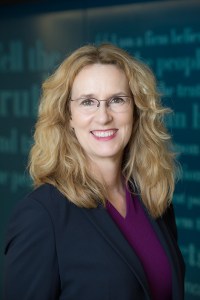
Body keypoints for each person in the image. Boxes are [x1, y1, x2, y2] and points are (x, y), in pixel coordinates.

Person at [4, 43, 185, 300]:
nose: (103, 117)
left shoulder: (154, 195)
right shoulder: (41, 216)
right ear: (68, 115)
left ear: (136, 110)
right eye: (88, 102)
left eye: (117, 100)